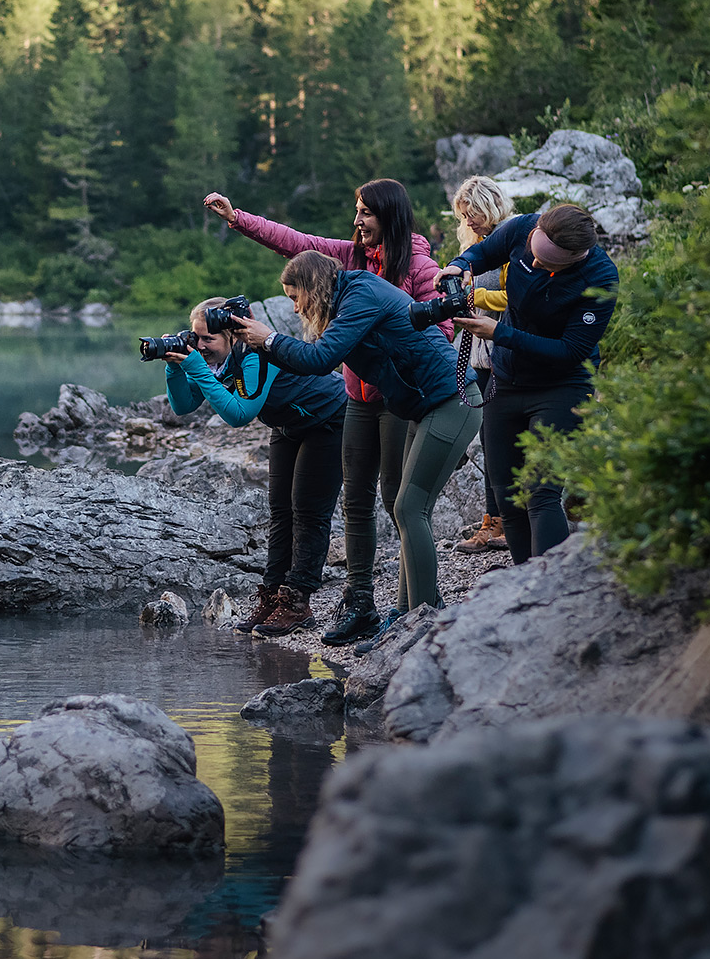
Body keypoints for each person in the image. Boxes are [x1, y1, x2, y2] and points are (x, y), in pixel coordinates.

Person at [202, 180, 440, 646]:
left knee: (398, 499)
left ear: (389, 216)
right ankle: (360, 601)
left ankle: (410, 606)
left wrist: (410, 363)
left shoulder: (419, 266)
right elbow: (298, 244)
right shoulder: (346, 259)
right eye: (355, 211)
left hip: (398, 397)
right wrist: (237, 219)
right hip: (356, 396)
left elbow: (439, 325)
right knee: (355, 503)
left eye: (366, 213)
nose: (357, 221)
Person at [231, 250, 477, 630]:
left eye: (295, 298)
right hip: (424, 406)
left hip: (452, 399)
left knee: (411, 509)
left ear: (313, 287)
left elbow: (321, 360)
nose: (295, 309)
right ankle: (402, 617)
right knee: (403, 508)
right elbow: (311, 358)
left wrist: (270, 339)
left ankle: (427, 624)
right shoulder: (346, 298)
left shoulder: (360, 294)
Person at [440, 202, 618, 565]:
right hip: (507, 381)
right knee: (508, 496)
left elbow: (570, 350)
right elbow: (484, 251)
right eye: (533, 256)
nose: (535, 265)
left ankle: (550, 590)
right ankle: (523, 586)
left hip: (562, 386)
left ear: (573, 258)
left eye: (546, 264)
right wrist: (460, 266)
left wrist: (499, 333)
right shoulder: (522, 227)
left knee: (540, 491)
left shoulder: (600, 278)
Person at [162, 297, 348, 638]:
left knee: (307, 510)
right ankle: (274, 593)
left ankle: (298, 602)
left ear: (232, 335)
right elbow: (183, 405)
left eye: (208, 339)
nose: (199, 346)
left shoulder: (256, 354)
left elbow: (239, 415)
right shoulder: (217, 361)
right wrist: (175, 367)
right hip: (288, 424)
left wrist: (197, 368)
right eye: (195, 336)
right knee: (280, 512)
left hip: (331, 417)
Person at [444, 176, 515, 554]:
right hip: (482, 353)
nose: (468, 222)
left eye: (472, 214)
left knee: (498, 438)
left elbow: (518, 296)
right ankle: (495, 518)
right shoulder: (476, 246)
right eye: (464, 216)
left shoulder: (512, 239)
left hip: (505, 348)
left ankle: (509, 518)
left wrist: (476, 295)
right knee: (488, 439)